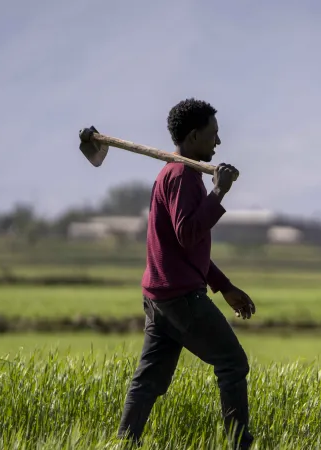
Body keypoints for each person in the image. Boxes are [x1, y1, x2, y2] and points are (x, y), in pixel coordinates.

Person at [117, 98, 256, 449]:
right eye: (213, 135)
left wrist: (223, 286)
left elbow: (187, 250)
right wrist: (219, 192)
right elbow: (188, 233)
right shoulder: (182, 176)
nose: (218, 144)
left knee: (149, 381)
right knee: (232, 363)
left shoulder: (172, 173)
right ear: (194, 137)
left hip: (159, 296)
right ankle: (240, 444)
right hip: (180, 298)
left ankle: (124, 442)